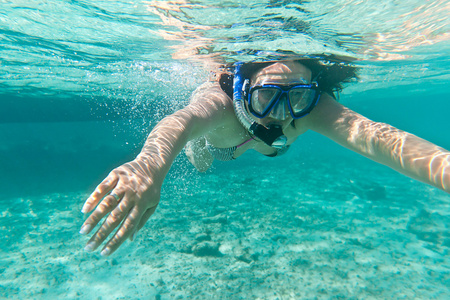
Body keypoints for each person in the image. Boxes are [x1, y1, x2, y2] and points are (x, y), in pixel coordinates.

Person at [79, 56, 450, 257]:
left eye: (298, 98)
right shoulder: (221, 104)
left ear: (312, 94)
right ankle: (200, 145)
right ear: (244, 90)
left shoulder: (318, 109)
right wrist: (149, 166)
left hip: (266, 149)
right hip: (219, 145)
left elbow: (377, 138)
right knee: (201, 157)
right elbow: (181, 121)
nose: (280, 112)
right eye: (266, 96)